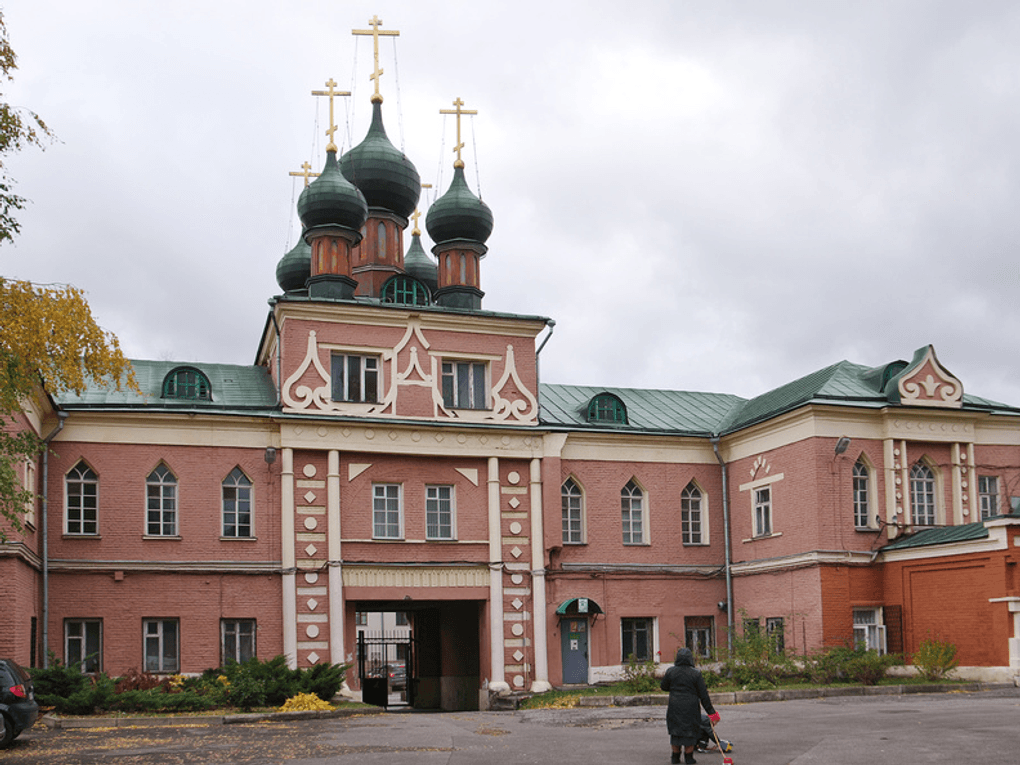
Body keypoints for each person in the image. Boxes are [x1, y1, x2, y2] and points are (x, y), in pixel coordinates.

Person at [660, 647, 720, 765]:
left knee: (675, 732)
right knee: (690, 732)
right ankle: (689, 758)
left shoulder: (671, 671)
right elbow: (704, 696)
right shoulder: (696, 673)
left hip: (674, 706)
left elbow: (664, 687)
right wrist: (712, 713)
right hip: (691, 707)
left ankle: (675, 757)